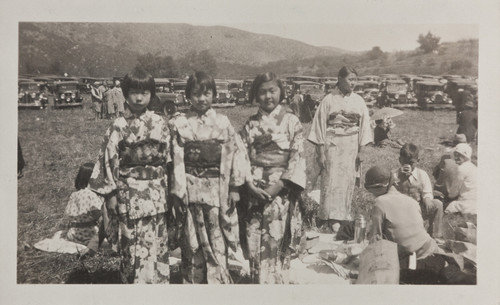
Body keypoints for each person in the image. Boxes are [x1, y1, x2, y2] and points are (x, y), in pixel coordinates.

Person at [89, 69, 171, 284]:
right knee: (131, 244)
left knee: (156, 243)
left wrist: (172, 190)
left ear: (151, 94)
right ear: (125, 94)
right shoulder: (118, 125)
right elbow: (107, 160)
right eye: (134, 92)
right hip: (129, 194)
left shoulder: (161, 124)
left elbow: (170, 161)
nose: (138, 97)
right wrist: (111, 194)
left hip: (157, 194)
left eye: (144, 92)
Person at [170, 71, 247, 284]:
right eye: (196, 94)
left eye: (207, 93)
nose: (201, 99)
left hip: (216, 189)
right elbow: (176, 159)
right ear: (188, 96)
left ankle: (218, 282)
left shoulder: (223, 123)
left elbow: (236, 154)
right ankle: (193, 282)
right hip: (189, 188)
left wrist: (234, 186)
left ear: (214, 94)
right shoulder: (179, 124)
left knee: (216, 238)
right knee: (191, 238)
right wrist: (178, 192)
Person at [239, 72, 306, 284]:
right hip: (254, 192)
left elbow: (297, 157)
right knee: (255, 244)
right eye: (262, 92)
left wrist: (279, 185)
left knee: (278, 244)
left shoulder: (291, 122)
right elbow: (239, 157)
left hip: (281, 193)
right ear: (255, 95)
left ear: (281, 92)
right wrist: (249, 184)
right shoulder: (250, 125)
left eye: (272, 90)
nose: (268, 96)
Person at [307, 66, 372, 231]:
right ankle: (326, 216)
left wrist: (361, 151)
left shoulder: (359, 100)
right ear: (340, 78)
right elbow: (319, 126)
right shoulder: (328, 100)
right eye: (350, 79)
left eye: (355, 80)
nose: (353, 83)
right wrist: (320, 153)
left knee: (346, 181)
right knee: (330, 180)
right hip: (332, 143)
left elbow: (364, 127)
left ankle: (342, 215)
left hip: (351, 145)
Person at [365, 166, 452, 284]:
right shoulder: (411, 201)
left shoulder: (380, 203)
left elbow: (375, 240)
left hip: (413, 259)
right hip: (432, 250)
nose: (371, 193)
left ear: (380, 187)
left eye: (371, 190)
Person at [392, 144, 444, 239]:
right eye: (404, 162)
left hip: (418, 208)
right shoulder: (395, 175)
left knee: (437, 204)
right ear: (400, 160)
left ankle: (435, 236)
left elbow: (427, 191)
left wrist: (427, 199)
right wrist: (400, 179)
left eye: (411, 163)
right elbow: (390, 193)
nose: (407, 165)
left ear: (418, 161)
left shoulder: (422, 174)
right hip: (401, 210)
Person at [65, 162, 104, 253]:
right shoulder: (91, 195)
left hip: (73, 235)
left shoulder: (74, 195)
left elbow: (67, 216)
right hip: (88, 236)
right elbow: (100, 218)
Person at [432, 134, 466, 204]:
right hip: (461, 195)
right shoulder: (470, 161)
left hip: (442, 193)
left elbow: (435, 174)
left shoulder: (445, 157)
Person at [445, 143, 477, 215]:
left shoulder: (461, 169)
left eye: (460, 155)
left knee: (447, 207)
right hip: (476, 203)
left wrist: (448, 197)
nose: (456, 157)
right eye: (455, 154)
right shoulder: (473, 167)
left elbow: (454, 191)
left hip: (466, 204)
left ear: (466, 157)